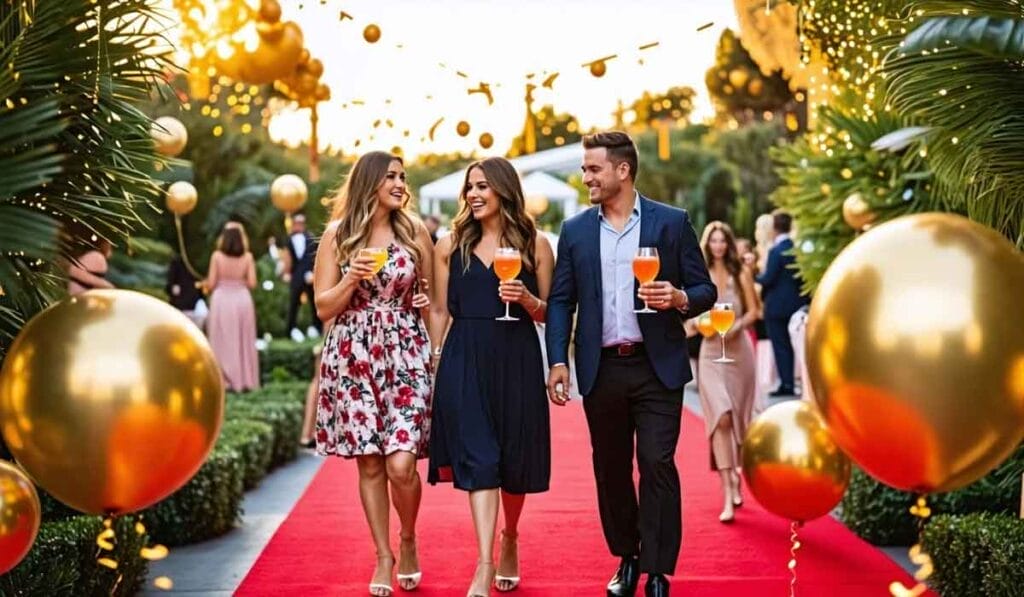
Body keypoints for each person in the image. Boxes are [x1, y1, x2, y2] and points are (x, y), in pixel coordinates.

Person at [545, 131, 716, 597]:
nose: (586, 177)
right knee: (612, 468)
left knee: (658, 463)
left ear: (623, 170)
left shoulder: (672, 222)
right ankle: (627, 556)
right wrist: (557, 360)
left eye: (593, 169)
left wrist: (679, 297)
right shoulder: (576, 230)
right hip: (602, 369)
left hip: (657, 366)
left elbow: (706, 291)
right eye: (584, 169)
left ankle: (658, 570)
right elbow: (561, 300)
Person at [427, 157, 554, 596]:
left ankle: (511, 536)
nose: (474, 195)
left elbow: (552, 314)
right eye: (470, 188)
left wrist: (526, 299)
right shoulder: (449, 245)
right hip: (465, 357)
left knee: (514, 465)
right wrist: (436, 361)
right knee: (480, 460)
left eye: (482, 186)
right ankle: (483, 563)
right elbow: (440, 311)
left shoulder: (535, 245)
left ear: (503, 189)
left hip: (517, 357)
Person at [313, 151, 433, 597]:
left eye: (404, 177)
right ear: (370, 183)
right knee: (369, 460)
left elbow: (431, 299)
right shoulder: (338, 236)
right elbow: (323, 307)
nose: (401, 184)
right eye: (391, 177)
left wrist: (421, 307)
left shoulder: (415, 231)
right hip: (354, 353)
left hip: (405, 350)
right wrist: (350, 280)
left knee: (402, 463)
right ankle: (383, 554)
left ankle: (408, 536)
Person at [694, 222, 759, 524]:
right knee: (720, 417)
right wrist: (696, 324)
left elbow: (754, 311)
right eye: (714, 241)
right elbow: (690, 312)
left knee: (738, 421)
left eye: (723, 241)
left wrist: (737, 326)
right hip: (710, 350)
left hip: (738, 352)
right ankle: (727, 490)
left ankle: (736, 473)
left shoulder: (740, 273)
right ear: (707, 245)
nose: (718, 246)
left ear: (729, 244)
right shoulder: (697, 275)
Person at [756, 211, 807, 396]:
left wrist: (753, 275)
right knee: (793, 346)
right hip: (796, 305)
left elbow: (768, 278)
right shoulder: (796, 249)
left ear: (774, 228)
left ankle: (786, 384)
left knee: (781, 346)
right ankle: (792, 382)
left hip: (777, 307)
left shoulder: (776, 251)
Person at [205, 222, 260, 392]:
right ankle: (244, 380)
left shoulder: (216, 257)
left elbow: (211, 283)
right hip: (242, 299)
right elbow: (252, 283)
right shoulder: (248, 258)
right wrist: (238, 281)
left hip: (222, 299)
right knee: (242, 339)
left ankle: (224, 379)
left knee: (221, 338)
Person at [285, 214, 320, 341]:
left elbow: (315, 257)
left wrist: (314, 273)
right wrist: (286, 272)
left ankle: (317, 327)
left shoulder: (310, 238)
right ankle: (291, 329)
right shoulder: (289, 240)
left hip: (310, 275)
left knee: (313, 302)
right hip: (296, 276)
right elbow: (287, 258)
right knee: (294, 303)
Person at [166, 252, 206, 329]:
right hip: (185, 305)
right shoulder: (194, 263)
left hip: (188, 306)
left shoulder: (196, 263)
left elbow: (169, 286)